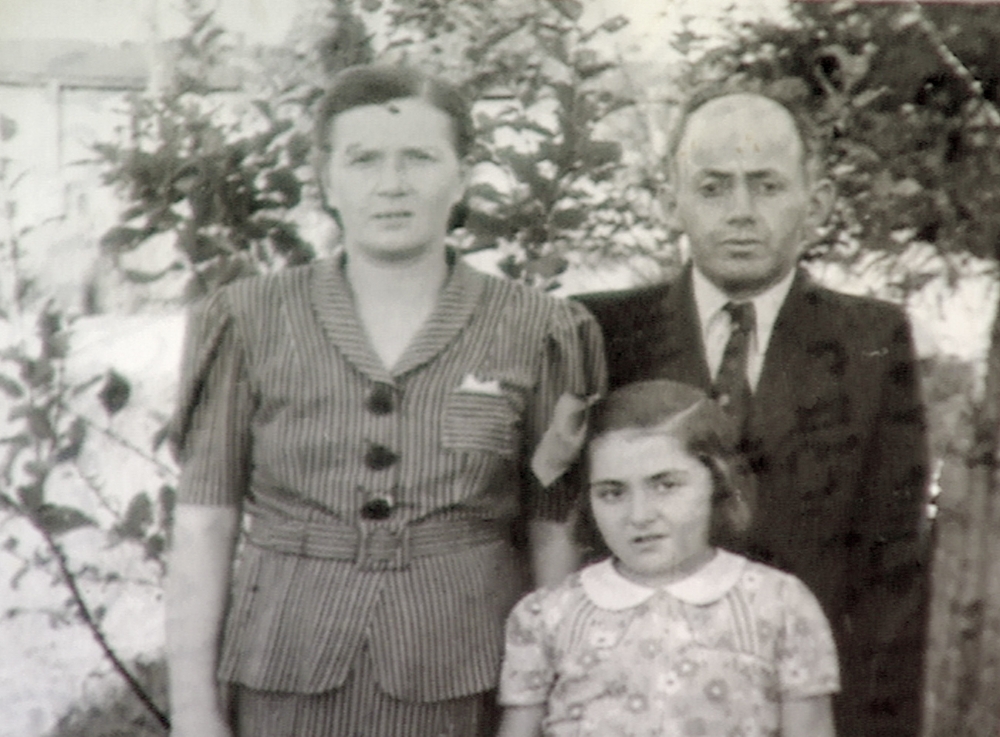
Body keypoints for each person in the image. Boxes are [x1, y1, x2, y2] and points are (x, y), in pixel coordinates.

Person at [165, 64, 606, 737]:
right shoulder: (247, 320)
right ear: (326, 179)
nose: (391, 184)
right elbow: (205, 522)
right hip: (285, 666)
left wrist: (543, 704)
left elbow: (554, 534)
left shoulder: (540, 328)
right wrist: (194, 711)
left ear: (462, 175)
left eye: (421, 158)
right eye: (363, 158)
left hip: (470, 672)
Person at [577, 86, 930, 737]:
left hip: (801, 707)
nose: (740, 211)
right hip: (629, 704)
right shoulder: (601, 329)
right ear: (670, 198)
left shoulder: (872, 340)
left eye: (766, 185)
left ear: (815, 202)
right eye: (713, 187)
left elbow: (893, 572)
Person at [496, 379, 840, 737]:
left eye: (665, 485)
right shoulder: (546, 615)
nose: (639, 515)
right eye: (612, 493)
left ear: (718, 481)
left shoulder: (780, 603)